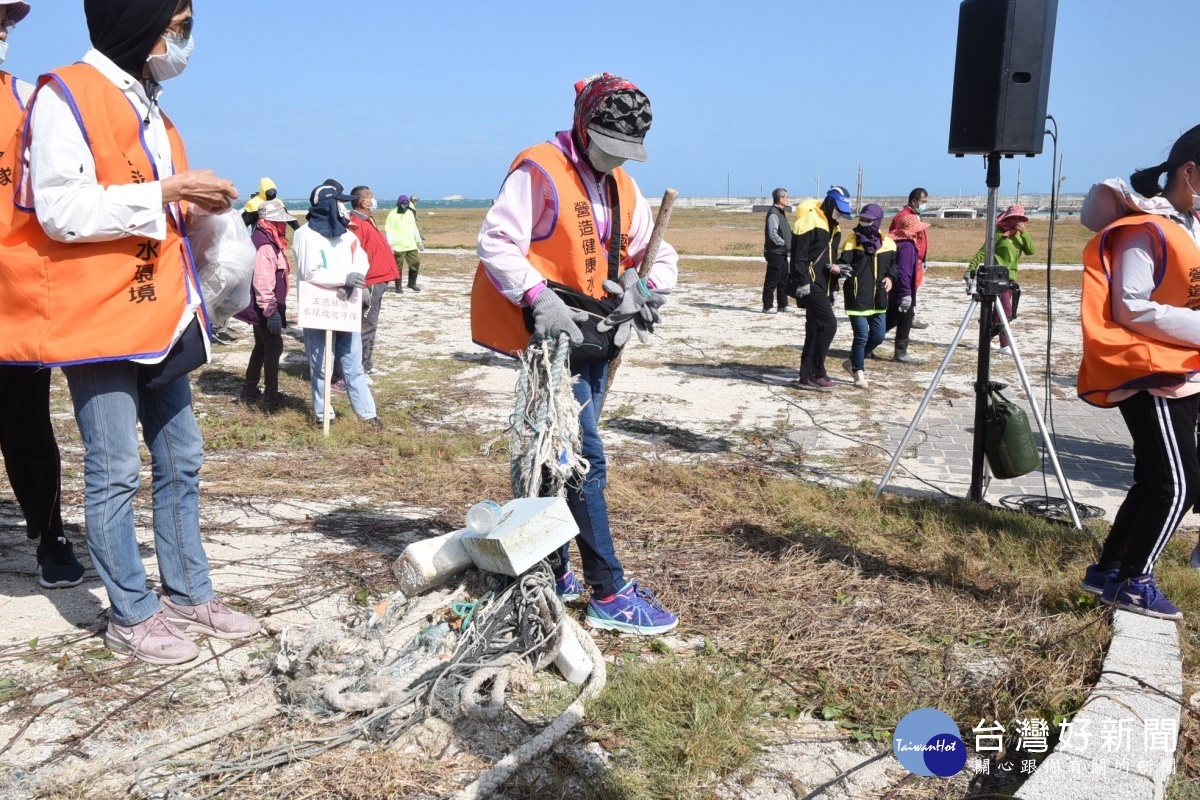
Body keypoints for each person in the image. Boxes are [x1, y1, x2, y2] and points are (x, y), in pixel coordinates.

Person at [0, 0, 261, 663]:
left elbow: (162, 202)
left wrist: (203, 213)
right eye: (177, 23)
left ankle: (189, 590)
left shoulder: (151, 107)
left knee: (183, 457)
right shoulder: (67, 93)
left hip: (158, 310)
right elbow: (60, 210)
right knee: (114, 468)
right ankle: (131, 613)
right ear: (136, 18)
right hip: (99, 319)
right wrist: (170, 190)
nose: (182, 39)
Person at [474, 72, 679, 636]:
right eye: (610, 148)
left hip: (597, 336)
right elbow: (495, 241)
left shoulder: (622, 187)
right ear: (584, 127)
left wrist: (645, 287)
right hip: (551, 341)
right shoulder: (539, 169)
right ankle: (608, 591)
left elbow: (659, 254)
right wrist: (536, 297)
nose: (618, 162)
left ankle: (557, 565)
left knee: (560, 457)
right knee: (583, 457)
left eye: (627, 154)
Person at [1075, 124, 1200, 621]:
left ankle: (1108, 570)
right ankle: (1135, 581)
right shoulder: (1143, 227)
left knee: (1152, 478)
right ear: (1189, 172)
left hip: (1183, 367)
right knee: (1180, 483)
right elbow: (1131, 307)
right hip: (1152, 372)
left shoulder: (1188, 224)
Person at [0, 0, 85, 590]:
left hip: (13, 303)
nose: (3, 29)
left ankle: (50, 534)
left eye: (5, 19)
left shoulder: (30, 101)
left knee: (26, 424)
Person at [293, 180, 383, 428]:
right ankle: (324, 415)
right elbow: (310, 272)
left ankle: (367, 413)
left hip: (347, 306)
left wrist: (357, 281)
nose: (344, 207)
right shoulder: (306, 235)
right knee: (321, 365)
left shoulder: (346, 234)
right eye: (339, 202)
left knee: (353, 363)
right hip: (320, 309)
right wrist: (341, 280)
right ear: (327, 205)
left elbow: (361, 259)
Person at [790, 186, 854, 391]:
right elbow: (798, 257)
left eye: (842, 211)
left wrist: (834, 286)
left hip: (825, 285)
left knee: (815, 327)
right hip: (810, 284)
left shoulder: (835, 228)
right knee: (828, 325)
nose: (839, 214)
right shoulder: (809, 221)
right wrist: (803, 282)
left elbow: (830, 259)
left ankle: (805, 375)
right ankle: (818, 372)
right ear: (830, 202)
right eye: (838, 209)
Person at [234, 198, 292, 411]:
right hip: (263, 308)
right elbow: (263, 281)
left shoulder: (259, 236)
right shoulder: (266, 245)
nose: (284, 225)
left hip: (256, 306)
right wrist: (271, 311)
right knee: (274, 347)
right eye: (281, 222)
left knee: (262, 346)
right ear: (270, 221)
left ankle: (249, 390)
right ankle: (271, 396)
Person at [837, 204, 895, 389]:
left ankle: (852, 361)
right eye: (862, 219)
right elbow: (843, 263)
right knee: (861, 336)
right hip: (857, 295)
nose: (864, 223)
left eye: (869, 220)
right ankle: (858, 372)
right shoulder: (851, 241)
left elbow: (894, 266)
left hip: (879, 297)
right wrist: (838, 269)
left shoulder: (889, 244)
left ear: (877, 221)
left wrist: (891, 278)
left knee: (878, 336)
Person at [966, 204, 1035, 356]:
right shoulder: (997, 234)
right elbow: (981, 252)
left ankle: (986, 338)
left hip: (1011, 279)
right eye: (1014, 218)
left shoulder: (1019, 235)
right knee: (1007, 311)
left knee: (999, 311)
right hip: (997, 277)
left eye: (1020, 218)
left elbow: (1031, 251)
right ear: (1007, 218)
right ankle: (1005, 344)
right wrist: (970, 270)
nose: (1017, 221)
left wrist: (1025, 234)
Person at [346, 185, 400, 376]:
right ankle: (356, 368)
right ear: (363, 201)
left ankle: (366, 364)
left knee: (372, 323)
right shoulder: (356, 224)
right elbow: (354, 256)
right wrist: (364, 285)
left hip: (380, 278)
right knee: (366, 325)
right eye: (371, 197)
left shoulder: (367, 220)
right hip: (370, 281)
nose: (374, 200)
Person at [887, 213, 929, 363]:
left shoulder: (897, 243)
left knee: (891, 318)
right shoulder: (907, 247)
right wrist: (906, 294)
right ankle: (900, 354)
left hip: (893, 291)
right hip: (901, 291)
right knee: (905, 318)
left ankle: (867, 343)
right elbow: (903, 272)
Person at [889, 187, 930, 330]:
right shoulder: (904, 217)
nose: (924, 204)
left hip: (916, 261)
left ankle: (908, 315)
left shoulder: (914, 215)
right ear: (914, 201)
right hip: (907, 260)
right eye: (922, 201)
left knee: (912, 290)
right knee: (906, 290)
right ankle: (906, 317)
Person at [385, 194, 423, 293]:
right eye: (403, 204)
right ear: (399, 203)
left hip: (411, 244)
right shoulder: (392, 214)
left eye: (407, 204)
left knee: (415, 262)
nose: (405, 206)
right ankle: (398, 287)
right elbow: (389, 230)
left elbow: (414, 228)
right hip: (398, 245)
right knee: (398, 267)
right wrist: (390, 244)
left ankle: (412, 283)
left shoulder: (410, 213)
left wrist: (419, 241)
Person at [762, 188, 791, 314]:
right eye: (786, 197)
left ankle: (783, 305)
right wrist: (784, 243)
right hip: (775, 252)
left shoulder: (781, 212)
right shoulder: (773, 213)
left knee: (784, 279)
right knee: (772, 280)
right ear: (780, 198)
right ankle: (767, 306)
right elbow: (772, 234)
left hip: (782, 252)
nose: (788, 199)